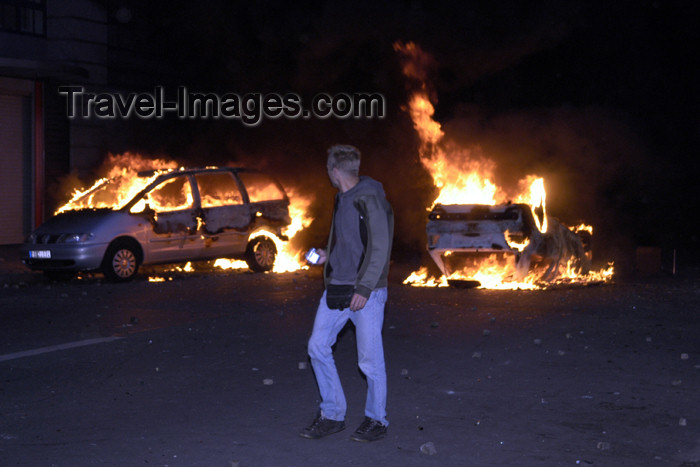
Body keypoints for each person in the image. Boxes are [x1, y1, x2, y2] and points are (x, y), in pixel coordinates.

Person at [300, 144, 394, 442]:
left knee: (369, 360)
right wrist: (326, 254)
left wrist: (365, 288)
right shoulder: (341, 198)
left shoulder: (370, 198)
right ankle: (332, 414)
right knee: (317, 346)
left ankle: (377, 420)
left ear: (335, 170)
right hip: (338, 287)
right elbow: (350, 243)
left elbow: (380, 246)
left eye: (328, 167)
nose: (327, 172)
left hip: (365, 292)